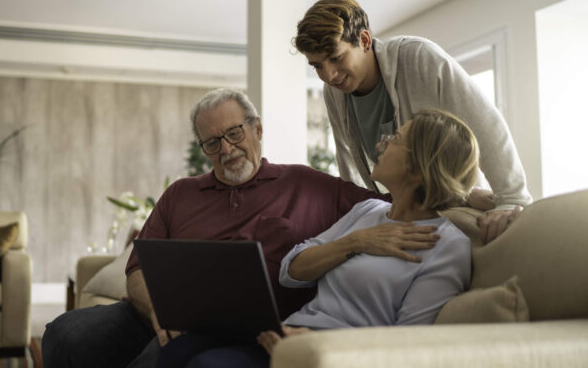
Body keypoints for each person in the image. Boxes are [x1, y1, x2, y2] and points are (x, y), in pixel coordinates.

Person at [41, 89, 437, 368]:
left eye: (234, 134)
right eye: (212, 142)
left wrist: (482, 201)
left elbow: (401, 199)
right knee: (64, 334)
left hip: (251, 328)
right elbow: (137, 269)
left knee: (163, 356)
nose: (226, 149)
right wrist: (157, 309)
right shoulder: (180, 194)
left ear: (257, 130)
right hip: (161, 315)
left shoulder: (311, 184)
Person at [157, 108, 479, 368]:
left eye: (395, 139)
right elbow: (290, 270)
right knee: (177, 350)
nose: (381, 144)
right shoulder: (368, 211)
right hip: (292, 333)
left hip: (331, 353)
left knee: (209, 364)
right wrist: (356, 242)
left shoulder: (448, 246)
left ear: (417, 167)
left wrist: (314, 345)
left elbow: (407, 346)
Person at [295, 0, 530, 243]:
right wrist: (358, 220)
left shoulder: (418, 57)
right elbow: (348, 165)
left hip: (455, 206)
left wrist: (511, 200)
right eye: (317, 66)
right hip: (400, 212)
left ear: (364, 40)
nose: (329, 75)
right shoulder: (334, 93)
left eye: (336, 57)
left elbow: (485, 123)